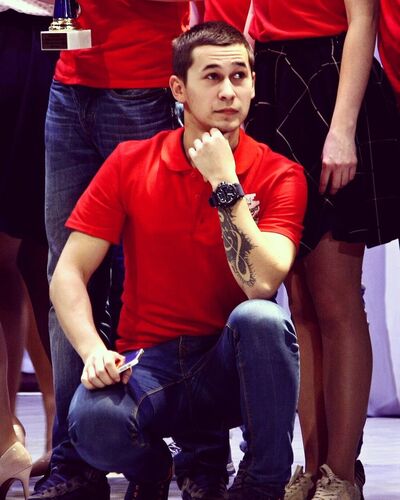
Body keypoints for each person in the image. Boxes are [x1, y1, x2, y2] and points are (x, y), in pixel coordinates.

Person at [48, 21, 307, 500]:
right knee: (93, 424)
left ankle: (259, 485)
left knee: (262, 319)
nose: (228, 91)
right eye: (212, 77)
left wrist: (225, 184)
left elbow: (261, 285)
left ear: (253, 84)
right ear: (178, 89)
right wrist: (92, 351)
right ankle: (157, 468)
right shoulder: (130, 161)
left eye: (239, 76)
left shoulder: (280, 173)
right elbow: (69, 272)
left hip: (226, 364)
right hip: (149, 363)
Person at [29, 2, 191, 499]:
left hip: (142, 84)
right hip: (69, 80)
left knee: (148, 272)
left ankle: (157, 449)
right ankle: (73, 457)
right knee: (67, 271)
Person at [244, 1, 400, 499]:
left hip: (332, 83)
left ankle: (342, 472)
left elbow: (364, 21)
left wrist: (343, 130)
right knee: (301, 304)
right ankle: (313, 468)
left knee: (336, 299)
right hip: (272, 83)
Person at [0, 0, 57, 480]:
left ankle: (8, 438)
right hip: (39, 40)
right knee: (27, 257)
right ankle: (26, 431)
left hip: (37, 38)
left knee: (38, 252)